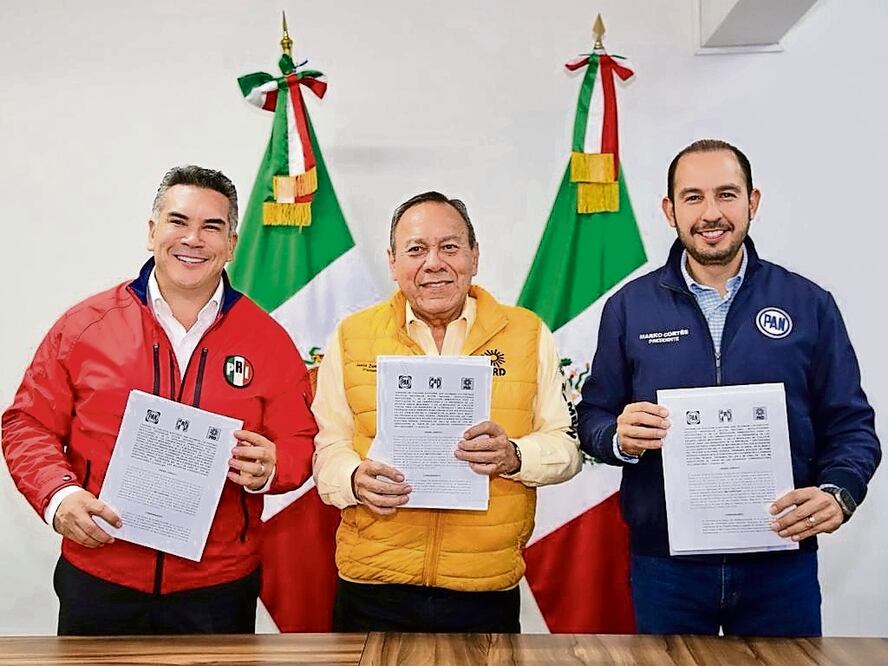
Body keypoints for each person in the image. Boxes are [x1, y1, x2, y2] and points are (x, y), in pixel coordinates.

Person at [577, 139, 881, 636]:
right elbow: (592, 416)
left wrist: (839, 492)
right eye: (693, 197)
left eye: (726, 194)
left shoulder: (809, 303)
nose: (711, 213)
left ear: (752, 202)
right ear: (669, 210)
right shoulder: (629, 308)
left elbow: (852, 426)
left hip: (780, 562)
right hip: (665, 567)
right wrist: (618, 436)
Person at [2, 165, 318, 635]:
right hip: (100, 576)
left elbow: (300, 440)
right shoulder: (85, 326)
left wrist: (273, 467)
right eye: (178, 221)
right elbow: (27, 423)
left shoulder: (269, 340)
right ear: (152, 232)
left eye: (212, 227)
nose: (193, 239)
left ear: (232, 244)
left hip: (217, 588)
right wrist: (58, 495)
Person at [312, 191, 582, 633]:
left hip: (484, 587)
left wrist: (515, 456)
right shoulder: (352, 336)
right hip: (373, 585)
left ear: (474, 256)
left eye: (450, 247)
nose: (434, 263)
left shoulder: (527, 334)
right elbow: (328, 445)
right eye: (416, 249)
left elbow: (567, 448)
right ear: (393, 262)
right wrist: (352, 479)